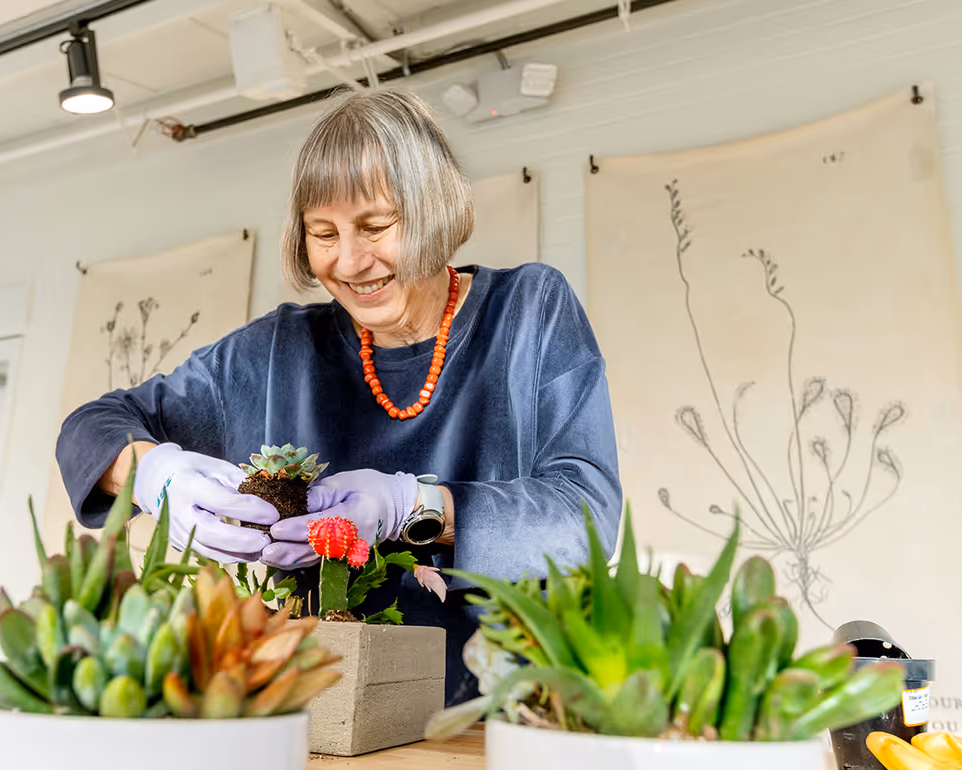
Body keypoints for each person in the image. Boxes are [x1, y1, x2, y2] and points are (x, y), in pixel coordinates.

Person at [55, 87, 622, 705]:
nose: (350, 262)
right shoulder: (276, 350)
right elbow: (94, 425)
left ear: (432, 210)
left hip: (495, 715)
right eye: (323, 233)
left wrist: (413, 507)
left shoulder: (528, 311)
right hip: (315, 713)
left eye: (376, 227)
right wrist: (151, 473)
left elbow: (584, 517)